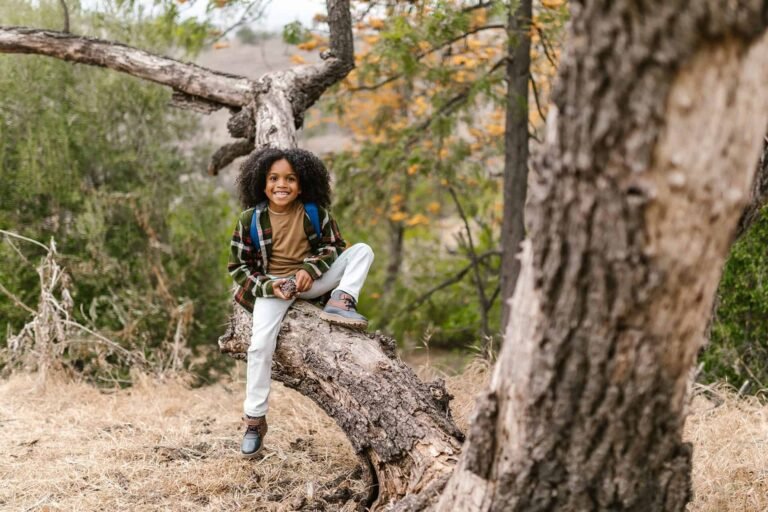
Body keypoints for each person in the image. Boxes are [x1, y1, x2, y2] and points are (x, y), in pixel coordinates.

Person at [227, 147, 374, 459]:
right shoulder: (250, 220)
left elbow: (335, 246)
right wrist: (270, 285)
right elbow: (239, 268)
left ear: (303, 184)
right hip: (274, 289)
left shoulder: (314, 213)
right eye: (274, 178)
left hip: (310, 283)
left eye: (290, 179)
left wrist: (310, 269)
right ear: (261, 183)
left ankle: (341, 301)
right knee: (260, 345)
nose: (282, 185)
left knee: (362, 250)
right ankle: (254, 420)